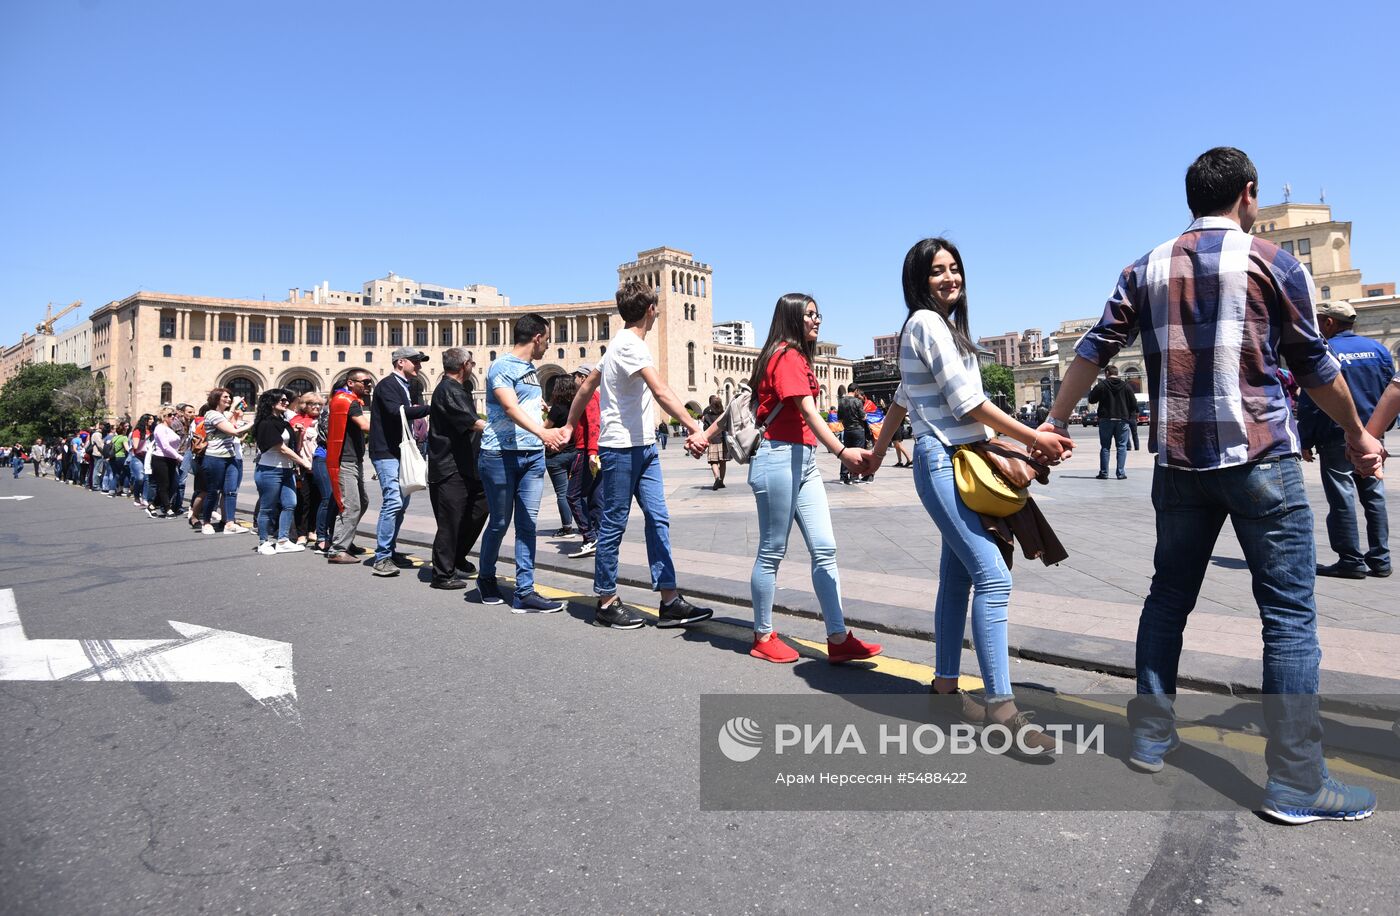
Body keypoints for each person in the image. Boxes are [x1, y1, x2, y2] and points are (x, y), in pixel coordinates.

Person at [1039, 147, 1382, 823]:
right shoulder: (1273, 261)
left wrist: (1052, 420)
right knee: (1287, 618)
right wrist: (1358, 431)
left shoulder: (1146, 267)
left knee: (1167, 598)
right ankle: (1295, 781)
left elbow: (1092, 349)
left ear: (1191, 197)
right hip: (1259, 459)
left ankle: (1149, 731)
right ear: (1248, 195)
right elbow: (1312, 363)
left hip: (1178, 464)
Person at [865, 243, 1072, 740]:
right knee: (994, 578)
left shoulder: (939, 329)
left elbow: (899, 399)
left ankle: (943, 690)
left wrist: (874, 457)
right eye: (937, 271)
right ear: (918, 280)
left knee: (958, 580)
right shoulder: (927, 324)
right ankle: (1001, 705)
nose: (950, 278)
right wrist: (1033, 436)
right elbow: (967, 402)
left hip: (954, 462)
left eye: (954, 268)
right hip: (945, 461)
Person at [689, 293, 881, 660]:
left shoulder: (780, 356)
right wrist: (842, 452)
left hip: (803, 461)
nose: (817, 320)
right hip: (778, 459)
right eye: (809, 315)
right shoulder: (788, 356)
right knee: (772, 551)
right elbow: (809, 413)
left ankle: (838, 638)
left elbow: (738, 404)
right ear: (792, 318)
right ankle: (762, 636)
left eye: (818, 314)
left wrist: (704, 434)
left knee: (825, 548)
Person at [565, 278, 712, 630]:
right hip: (620, 449)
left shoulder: (618, 343)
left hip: (644, 447)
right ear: (651, 310)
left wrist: (570, 424)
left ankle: (670, 599)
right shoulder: (631, 344)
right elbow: (660, 390)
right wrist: (694, 427)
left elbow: (586, 385)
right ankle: (606, 600)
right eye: (656, 306)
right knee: (614, 522)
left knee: (658, 518)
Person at [476, 313, 569, 612]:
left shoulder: (530, 369)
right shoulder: (501, 365)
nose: (548, 346)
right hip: (500, 455)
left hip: (531, 456)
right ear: (538, 337)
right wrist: (543, 431)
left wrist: (540, 412)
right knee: (500, 523)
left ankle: (524, 591)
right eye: (548, 339)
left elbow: (521, 405)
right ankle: (486, 577)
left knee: (527, 523)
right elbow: (507, 405)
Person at [1298, 301, 1394, 579]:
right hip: (1373, 436)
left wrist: (1306, 440)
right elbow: (1391, 392)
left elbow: (1313, 400)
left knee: (1342, 497)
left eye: (1317, 320)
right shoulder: (1378, 349)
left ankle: (1350, 560)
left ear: (1329, 322)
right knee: (1375, 496)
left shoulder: (1325, 351)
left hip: (1336, 436)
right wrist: (1381, 432)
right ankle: (1381, 559)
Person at [427, 347, 490, 590]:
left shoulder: (459, 389)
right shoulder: (448, 389)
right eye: (472, 363)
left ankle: (457, 556)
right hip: (449, 466)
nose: (473, 366)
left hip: (466, 464)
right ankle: (442, 573)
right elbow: (473, 422)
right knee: (450, 520)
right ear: (464, 365)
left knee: (480, 507)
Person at [366, 347, 432, 577]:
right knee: (393, 502)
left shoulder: (405, 386)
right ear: (400, 362)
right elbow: (397, 412)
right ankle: (382, 557)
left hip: (397, 451)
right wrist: (431, 408)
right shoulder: (387, 385)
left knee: (401, 504)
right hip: (385, 451)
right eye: (416, 361)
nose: (419, 366)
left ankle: (390, 551)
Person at [252, 389, 313, 555]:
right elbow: (281, 448)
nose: (287, 402)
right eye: (282, 400)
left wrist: (298, 434)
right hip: (269, 470)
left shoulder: (283, 422)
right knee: (267, 507)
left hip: (287, 470)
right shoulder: (265, 423)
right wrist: (303, 462)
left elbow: (294, 447)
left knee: (290, 504)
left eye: (287, 400)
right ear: (271, 403)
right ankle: (263, 541)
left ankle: (283, 540)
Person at [324, 372, 373, 565]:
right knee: (351, 505)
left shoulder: (344, 399)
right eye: (365, 382)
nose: (369, 385)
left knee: (362, 501)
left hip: (352, 459)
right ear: (351, 383)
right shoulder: (349, 401)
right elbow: (364, 426)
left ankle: (346, 539)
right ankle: (337, 549)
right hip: (346, 460)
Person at [198, 389, 253, 534]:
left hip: (230, 457)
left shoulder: (222, 415)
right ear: (216, 399)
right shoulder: (212, 414)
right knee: (213, 491)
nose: (228, 399)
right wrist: (254, 422)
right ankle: (207, 522)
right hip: (214, 458)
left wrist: (235, 406)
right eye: (225, 397)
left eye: (229, 397)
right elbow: (233, 431)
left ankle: (229, 522)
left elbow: (231, 417)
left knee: (230, 491)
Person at [564, 365, 603, 558]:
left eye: (576, 376)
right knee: (595, 495)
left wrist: (592, 453)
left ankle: (589, 537)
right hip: (591, 451)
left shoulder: (589, 396)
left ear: (583, 377)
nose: (574, 380)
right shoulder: (595, 396)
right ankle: (598, 536)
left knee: (573, 495)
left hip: (585, 451)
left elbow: (594, 423)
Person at [542, 377, 578, 538]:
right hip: (575, 452)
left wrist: (546, 413)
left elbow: (545, 427)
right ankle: (587, 525)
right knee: (577, 490)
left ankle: (567, 527)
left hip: (556, 455)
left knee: (562, 492)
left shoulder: (557, 408)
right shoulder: (577, 406)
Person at [1087, 365, 1136, 480]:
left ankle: (1104, 473)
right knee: (1122, 446)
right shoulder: (1126, 386)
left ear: (1107, 373)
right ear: (1117, 373)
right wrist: (1128, 415)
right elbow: (1133, 404)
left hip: (1106, 420)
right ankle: (1120, 473)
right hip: (1122, 420)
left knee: (1105, 447)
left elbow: (1091, 399)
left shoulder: (1101, 385)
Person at [289, 394, 323, 546]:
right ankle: (301, 534)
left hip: (320, 465)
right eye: (312, 404)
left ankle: (313, 530)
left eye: (319, 404)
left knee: (319, 500)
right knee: (303, 501)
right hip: (303, 466)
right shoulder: (297, 421)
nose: (316, 407)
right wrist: (296, 432)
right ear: (304, 405)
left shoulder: (323, 420)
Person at [148, 407, 183, 518]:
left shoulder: (170, 428)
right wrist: (178, 457)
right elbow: (165, 446)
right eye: (169, 415)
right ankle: (168, 509)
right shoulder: (160, 428)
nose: (172, 417)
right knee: (164, 485)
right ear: (163, 417)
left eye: (173, 415)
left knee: (171, 484)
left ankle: (153, 505)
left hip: (171, 459)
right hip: (160, 459)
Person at [836, 386, 867, 484]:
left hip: (847, 430)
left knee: (846, 453)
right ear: (856, 391)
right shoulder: (857, 401)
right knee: (858, 453)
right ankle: (854, 475)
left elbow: (839, 419)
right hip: (858, 430)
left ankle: (843, 476)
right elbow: (863, 417)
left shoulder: (841, 401)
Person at [699, 394, 729, 490]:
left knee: (713, 462)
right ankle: (721, 482)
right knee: (723, 462)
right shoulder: (724, 414)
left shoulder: (707, 416)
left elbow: (705, 429)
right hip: (723, 441)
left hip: (712, 441)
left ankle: (717, 477)